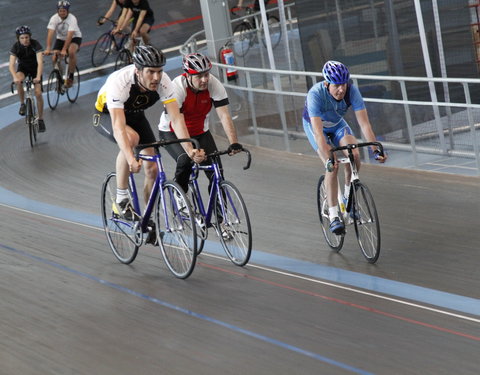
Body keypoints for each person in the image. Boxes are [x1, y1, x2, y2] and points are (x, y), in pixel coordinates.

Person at [93, 45, 205, 243]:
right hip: (106, 116)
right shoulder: (120, 83)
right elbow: (118, 127)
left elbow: (176, 119)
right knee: (132, 139)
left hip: (136, 117)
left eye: (159, 71)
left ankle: (147, 219)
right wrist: (130, 158)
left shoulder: (164, 83)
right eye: (151, 72)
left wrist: (189, 150)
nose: (156, 77)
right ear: (138, 71)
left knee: (152, 168)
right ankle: (120, 199)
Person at [302, 60, 387, 235]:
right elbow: (319, 134)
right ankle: (334, 215)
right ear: (326, 83)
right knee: (332, 166)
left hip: (337, 124)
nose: (341, 89)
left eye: (344, 85)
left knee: (354, 154)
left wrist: (375, 150)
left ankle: (348, 198)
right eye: (336, 86)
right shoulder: (315, 95)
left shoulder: (352, 91)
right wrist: (328, 159)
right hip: (316, 128)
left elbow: (364, 124)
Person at [158, 52, 242, 195]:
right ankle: (180, 196)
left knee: (217, 174)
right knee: (185, 160)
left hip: (199, 132)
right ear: (188, 75)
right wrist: (191, 151)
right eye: (198, 76)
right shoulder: (176, 87)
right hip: (172, 132)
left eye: (206, 74)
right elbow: (177, 121)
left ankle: (222, 216)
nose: (204, 80)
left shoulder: (213, 84)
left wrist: (233, 142)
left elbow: (224, 114)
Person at [9, 25, 46, 132]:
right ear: (18, 39)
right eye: (22, 38)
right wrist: (15, 77)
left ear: (30, 37)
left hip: (35, 69)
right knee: (18, 81)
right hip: (23, 68)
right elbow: (11, 65)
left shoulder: (35, 44)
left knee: (38, 93)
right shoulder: (16, 47)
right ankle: (22, 104)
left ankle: (41, 119)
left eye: (26, 37)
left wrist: (38, 76)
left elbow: (40, 62)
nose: (25, 40)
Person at [44, 0, 82, 89]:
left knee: (71, 52)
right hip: (60, 38)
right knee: (54, 58)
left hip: (74, 37)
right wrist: (48, 48)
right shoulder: (54, 18)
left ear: (68, 11)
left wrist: (64, 49)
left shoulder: (72, 19)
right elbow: (50, 33)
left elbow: (70, 35)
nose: (62, 13)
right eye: (60, 11)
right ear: (57, 11)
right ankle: (59, 78)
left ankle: (71, 76)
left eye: (64, 11)